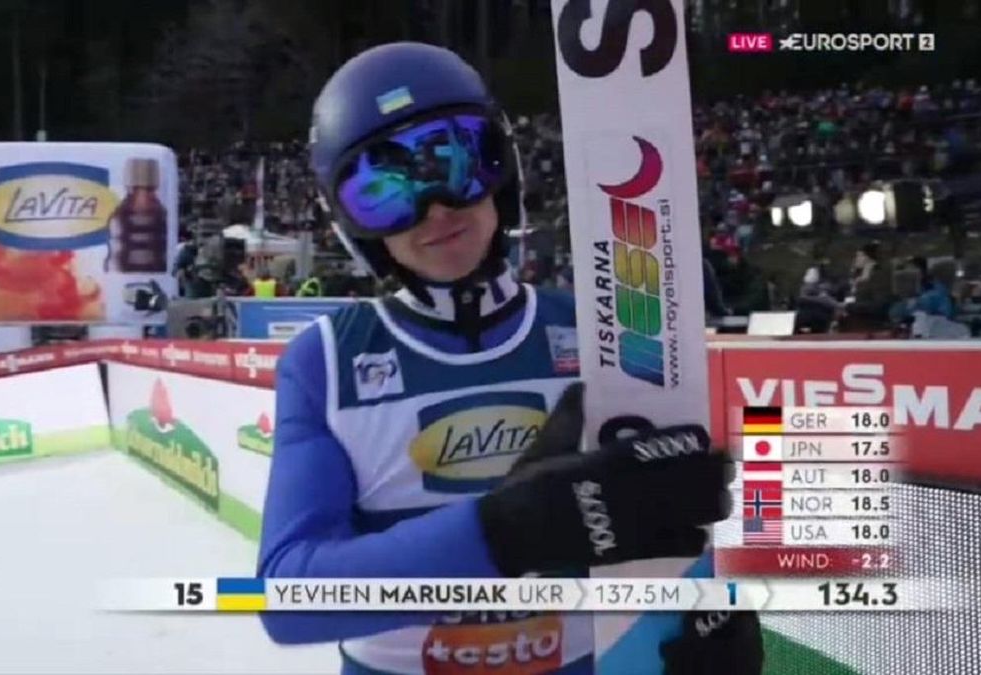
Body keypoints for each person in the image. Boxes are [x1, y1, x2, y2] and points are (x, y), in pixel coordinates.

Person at [257, 42, 757, 675]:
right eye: (384, 192)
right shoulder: (326, 362)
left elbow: (670, 496)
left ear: (506, 171)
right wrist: (505, 531)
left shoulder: (599, 324)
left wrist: (704, 610)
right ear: (351, 224)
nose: (436, 208)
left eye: (459, 162)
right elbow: (286, 598)